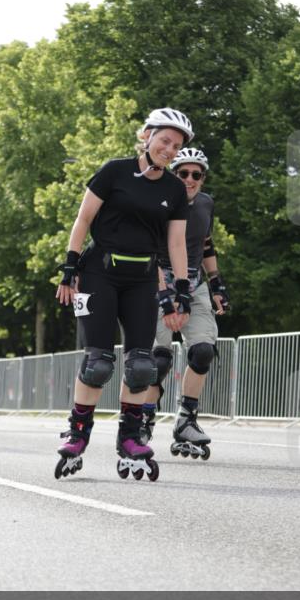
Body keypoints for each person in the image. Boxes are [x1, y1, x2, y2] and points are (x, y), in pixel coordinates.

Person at [55, 108, 195, 481]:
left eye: (176, 145)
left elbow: (177, 242)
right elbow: (83, 219)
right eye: (164, 140)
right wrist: (69, 267)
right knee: (98, 361)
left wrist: (180, 289)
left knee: (141, 365)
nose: (169, 149)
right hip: (100, 272)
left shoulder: (174, 189)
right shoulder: (114, 171)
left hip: (143, 278)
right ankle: (77, 434)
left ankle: (130, 438)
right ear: (146, 136)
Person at [142, 146, 230, 459]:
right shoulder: (158, 202)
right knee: (158, 360)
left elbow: (206, 244)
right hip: (158, 282)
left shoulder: (206, 203)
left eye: (197, 174)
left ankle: (185, 420)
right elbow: (146, 250)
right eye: (183, 173)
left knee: (203, 351)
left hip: (193, 285)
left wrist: (217, 282)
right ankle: (144, 415)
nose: (190, 179)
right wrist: (164, 294)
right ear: (173, 174)